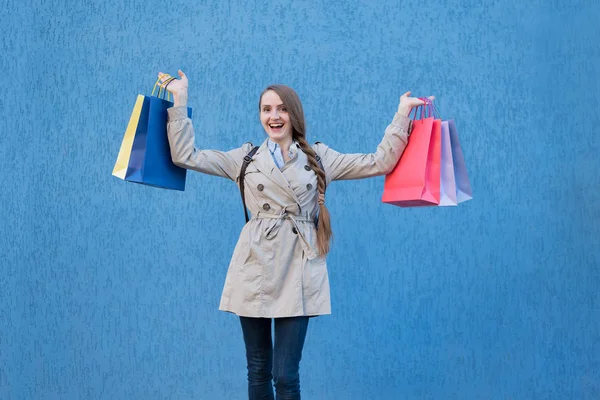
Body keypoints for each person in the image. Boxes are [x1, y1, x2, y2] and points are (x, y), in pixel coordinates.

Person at [156, 70, 433, 400]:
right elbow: (186, 156)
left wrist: (402, 114)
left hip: (299, 268)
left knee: (285, 375)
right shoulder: (244, 159)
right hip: (254, 265)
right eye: (266, 109)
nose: (274, 116)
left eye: (282, 108)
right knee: (258, 368)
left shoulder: (319, 158)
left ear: (294, 114)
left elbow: (379, 162)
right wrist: (181, 98)